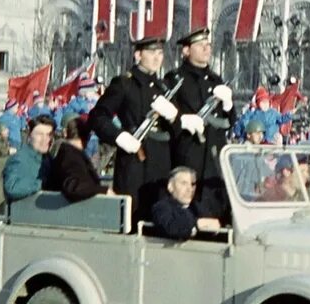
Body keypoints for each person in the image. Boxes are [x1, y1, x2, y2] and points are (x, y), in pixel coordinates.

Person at [88, 36, 186, 220]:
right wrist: (120, 137)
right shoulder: (125, 83)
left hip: (161, 163)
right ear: (138, 55)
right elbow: (98, 116)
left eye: (160, 53)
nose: (157, 58)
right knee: (133, 216)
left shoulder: (164, 87)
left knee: (159, 215)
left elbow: (177, 133)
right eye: (151, 53)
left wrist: (174, 118)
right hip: (135, 162)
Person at [165, 28, 234, 217]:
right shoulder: (175, 80)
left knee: (215, 209)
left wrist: (228, 105)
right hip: (189, 154)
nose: (207, 49)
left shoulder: (216, 80)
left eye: (208, 45)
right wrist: (182, 121)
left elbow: (229, 122)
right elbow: (167, 119)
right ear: (186, 51)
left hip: (214, 161)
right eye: (200, 45)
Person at [47, 116, 111, 202]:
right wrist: (103, 190)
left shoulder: (66, 153)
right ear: (87, 137)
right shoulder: (71, 156)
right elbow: (74, 187)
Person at [150, 167, 221, 240]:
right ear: (170, 186)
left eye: (192, 184)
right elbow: (171, 228)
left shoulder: (198, 208)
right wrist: (197, 223)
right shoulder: (161, 207)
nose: (190, 189)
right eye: (184, 183)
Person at [3, 115, 54, 204]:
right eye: (40, 134)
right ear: (30, 135)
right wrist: (40, 183)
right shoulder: (20, 158)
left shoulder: (48, 158)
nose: (45, 139)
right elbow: (11, 187)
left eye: (49, 135)